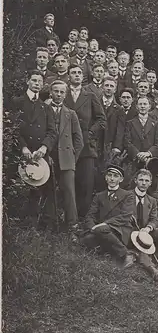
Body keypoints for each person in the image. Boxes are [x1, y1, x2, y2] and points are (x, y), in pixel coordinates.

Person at [13, 70, 57, 224]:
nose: (37, 84)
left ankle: (31, 226)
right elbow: (11, 128)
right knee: (19, 188)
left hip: (39, 156)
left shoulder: (45, 108)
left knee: (36, 190)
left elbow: (52, 132)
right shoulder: (17, 102)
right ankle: (14, 224)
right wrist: (23, 147)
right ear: (27, 81)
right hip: (20, 153)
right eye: (34, 80)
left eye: (39, 81)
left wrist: (44, 147)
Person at [64, 64, 106, 218]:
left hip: (87, 147)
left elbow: (101, 120)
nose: (76, 75)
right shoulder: (63, 94)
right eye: (73, 73)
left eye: (79, 73)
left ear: (83, 77)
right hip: (65, 146)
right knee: (68, 185)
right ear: (68, 76)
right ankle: (69, 220)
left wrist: (89, 133)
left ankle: (84, 220)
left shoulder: (90, 96)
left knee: (86, 185)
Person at [46, 80, 84, 237]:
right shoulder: (44, 110)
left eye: (62, 92)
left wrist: (72, 160)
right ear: (51, 92)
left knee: (69, 191)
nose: (59, 94)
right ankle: (49, 223)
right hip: (47, 156)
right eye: (56, 91)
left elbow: (79, 140)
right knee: (47, 190)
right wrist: (45, 155)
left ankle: (72, 226)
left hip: (67, 158)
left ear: (65, 94)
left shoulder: (71, 114)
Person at [81, 165, 136, 269]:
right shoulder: (99, 196)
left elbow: (125, 216)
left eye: (115, 176)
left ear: (121, 179)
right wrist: (92, 227)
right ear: (106, 177)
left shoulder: (128, 195)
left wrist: (105, 224)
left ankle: (126, 254)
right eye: (109, 175)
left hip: (120, 228)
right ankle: (110, 252)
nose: (112, 178)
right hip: (101, 229)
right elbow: (90, 215)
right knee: (87, 239)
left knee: (100, 232)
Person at [124, 96, 158, 174]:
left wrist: (148, 153)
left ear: (149, 106)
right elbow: (127, 142)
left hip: (151, 162)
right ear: (136, 107)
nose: (142, 106)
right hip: (134, 162)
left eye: (145, 104)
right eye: (140, 104)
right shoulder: (130, 123)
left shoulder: (155, 124)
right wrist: (137, 154)